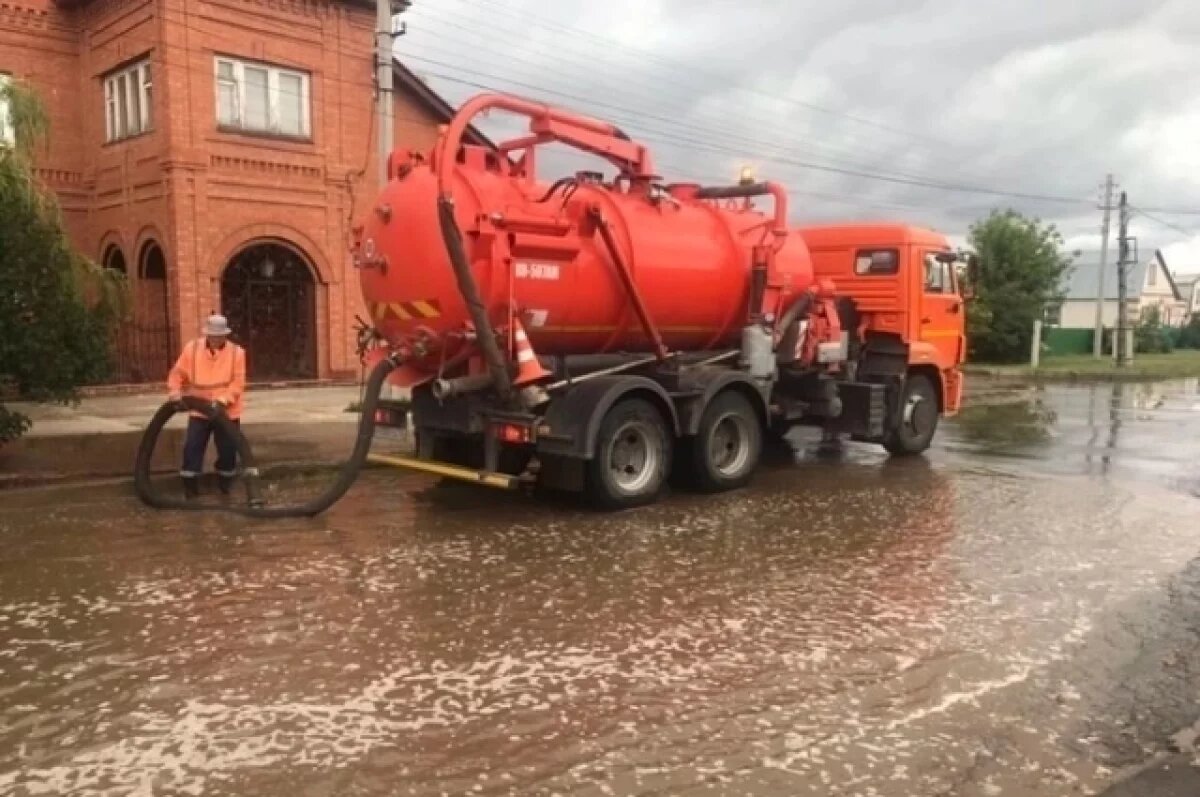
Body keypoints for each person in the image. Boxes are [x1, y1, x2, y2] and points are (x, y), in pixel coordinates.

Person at [167, 314, 247, 498]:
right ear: (207, 334)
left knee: (227, 450)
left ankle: (225, 485)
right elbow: (177, 373)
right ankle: (190, 487)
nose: (215, 339)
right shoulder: (192, 349)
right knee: (192, 448)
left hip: (226, 412)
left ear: (225, 335)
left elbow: (238, 383)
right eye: (212, 336)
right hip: (199, 410)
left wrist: (223, 401)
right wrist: (175, 393)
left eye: (219, 336)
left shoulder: (237, 353)